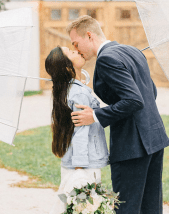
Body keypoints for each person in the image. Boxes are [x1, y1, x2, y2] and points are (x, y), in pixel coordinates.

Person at [67, 15, 169, 214]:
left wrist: (96, 115)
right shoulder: (133, 50)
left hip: (132, 145)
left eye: (76, 43)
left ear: (89, 35)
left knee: (127, 208)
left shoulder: (106, 59)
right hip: (154, 138)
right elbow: (151, 92)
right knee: (151, 207)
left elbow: (134, 100)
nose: (76, 48)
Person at [45, 46, 109, 213]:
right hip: (84, 163)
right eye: (72, 53)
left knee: (72, 208)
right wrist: (80, 170)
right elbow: (80, 133)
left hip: (71, 161)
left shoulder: (67, 90)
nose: (78, 51)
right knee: (85, 208)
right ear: (67, 67)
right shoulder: (78, 94)